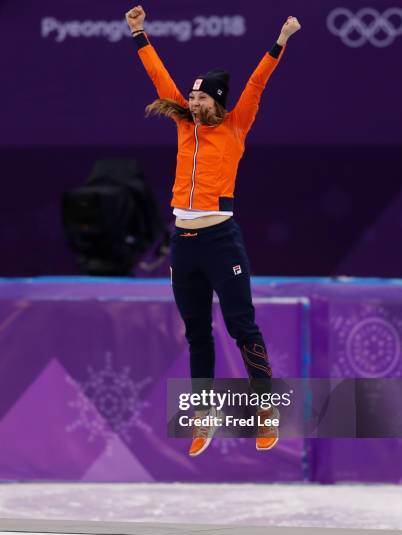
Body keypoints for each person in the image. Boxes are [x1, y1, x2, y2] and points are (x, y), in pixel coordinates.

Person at [125, 6, 301, 456]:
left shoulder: (237, 126)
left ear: (218, 102)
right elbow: (159, 80)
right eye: (192, 97)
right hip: (183, 243)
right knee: (197, 333)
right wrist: (140, 34)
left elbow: (258, 83)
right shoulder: (184, 125)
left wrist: (280, 40)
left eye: (203, 98)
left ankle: (265, 411)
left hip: (222, 240)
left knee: (242, 326)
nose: (194, 102)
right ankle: (203, 416)